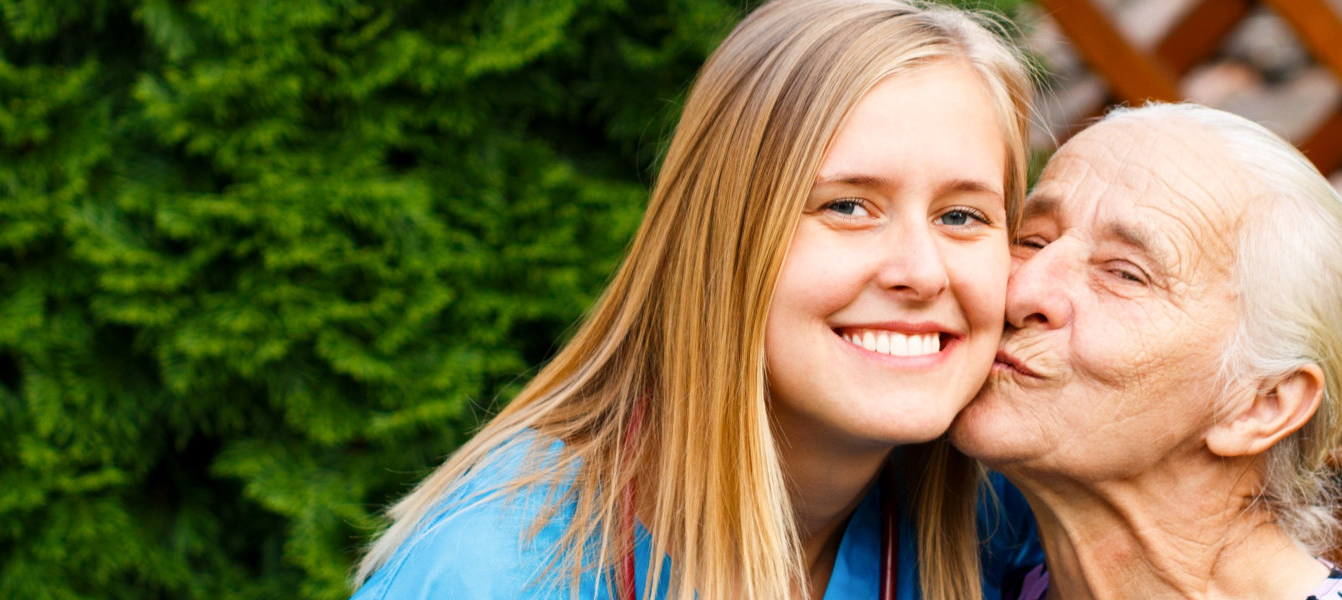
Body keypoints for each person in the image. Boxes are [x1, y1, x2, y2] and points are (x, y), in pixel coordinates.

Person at [349, 1, 1041, 598]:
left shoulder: (1003, 526)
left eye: (962, 216)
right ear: (720, 238)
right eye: (848, 206)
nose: (921, 273)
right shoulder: (492, 573)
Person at [952, 103, 1342, 600]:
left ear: (1260, 404)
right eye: (1031, 240)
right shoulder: (968, 572)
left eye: (1123, 273)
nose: (1021, 291)